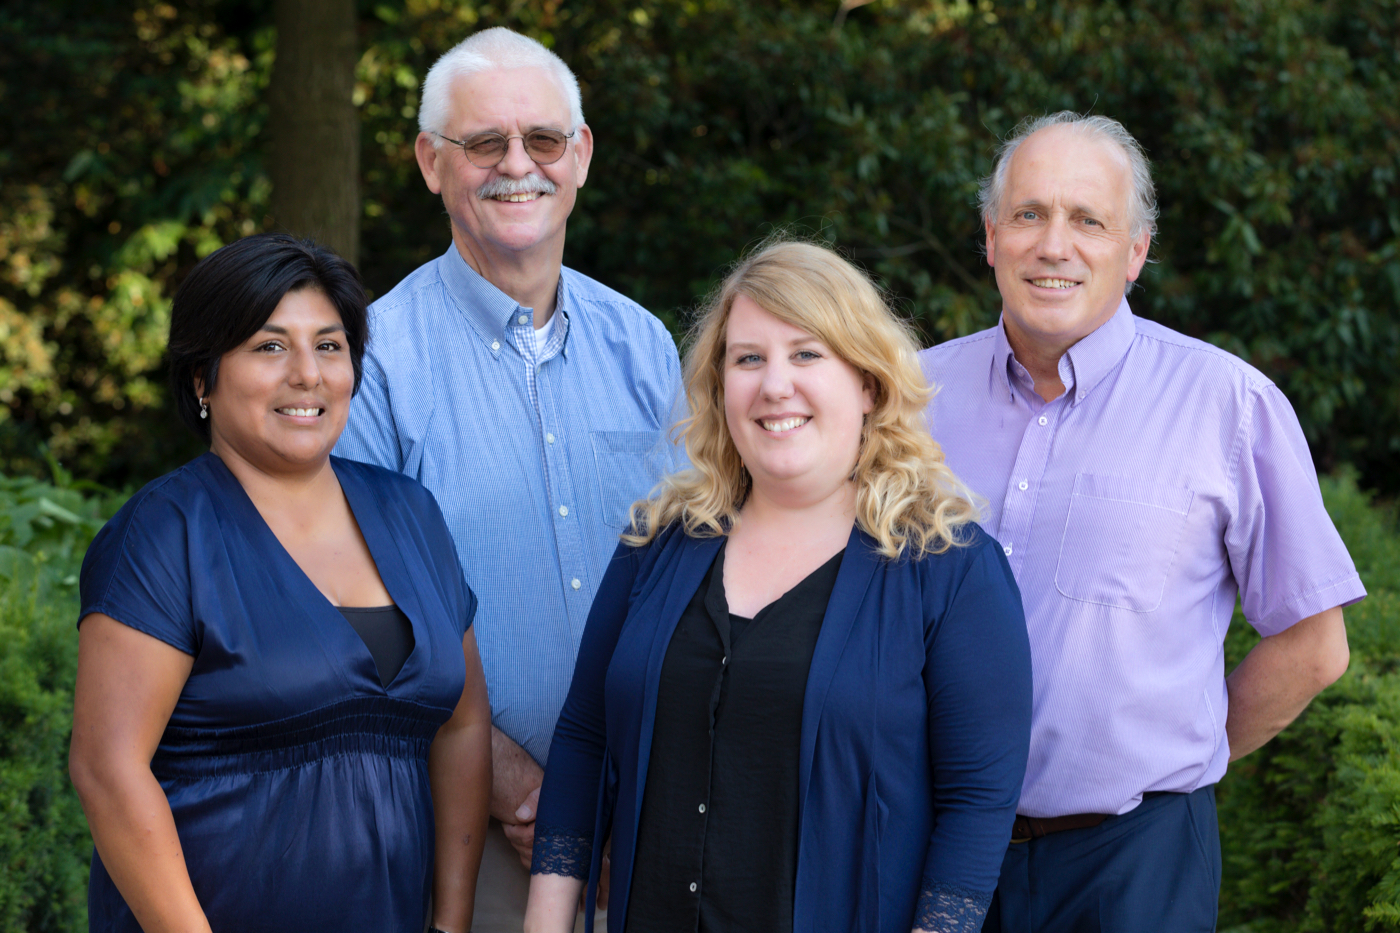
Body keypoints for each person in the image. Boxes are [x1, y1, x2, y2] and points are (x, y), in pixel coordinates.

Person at [918, 112, 1367, 932]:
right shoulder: (908, 401)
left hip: (1136, 864)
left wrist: (1186, 754)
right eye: (1028, 214)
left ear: (1135, 252)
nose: (1054, 244)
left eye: (1088, 220)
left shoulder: (1228, 404)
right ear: (990, 237)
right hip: (931, 851)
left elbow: (1315, 644)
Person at [523, 239, 1034, 933]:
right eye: (748, 358)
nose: (774, 385)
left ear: (868, 383)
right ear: (719, 386)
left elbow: (976, 803)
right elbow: (585, 737)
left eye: (806, 354)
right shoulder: (656, 545)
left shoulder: (950, 568)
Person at [334, 27, 682, 929]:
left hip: (651, 820)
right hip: (472, 833)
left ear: (582, 155)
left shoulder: (644, 344)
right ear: (431, 162)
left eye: (544, 139)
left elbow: (697, 568)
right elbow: (360, 609)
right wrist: (517, 789)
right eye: (485, 142)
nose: (517, 165)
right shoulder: (374, 362)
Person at [69, 234, 491, 933]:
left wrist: (450, 922)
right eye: (270, 347)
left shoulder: (411, 514)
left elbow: (465, 723)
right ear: (202, 378)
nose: (307, 374)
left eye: (329, 345)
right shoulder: (164, 534)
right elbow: (107, 768)